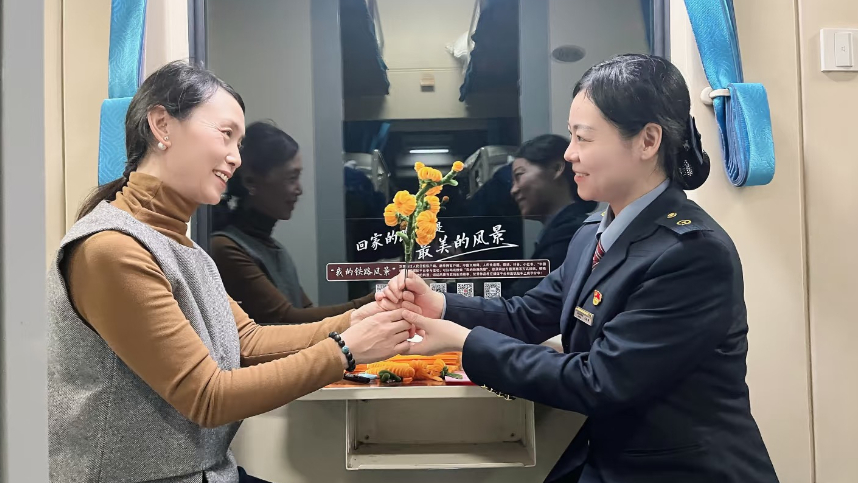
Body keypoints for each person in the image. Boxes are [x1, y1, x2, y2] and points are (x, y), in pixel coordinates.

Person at [381, 54, 779, 483]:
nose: (570, 153)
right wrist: (439, 305)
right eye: (571, 136)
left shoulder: (691, 255)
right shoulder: (593, 233)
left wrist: (463, 341)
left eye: (584, 138)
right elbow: (528, 314)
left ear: (647, 141)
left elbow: (599, 380)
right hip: (610, 461)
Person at [47, 61, 412, 483]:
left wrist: (357, 319)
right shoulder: (112, 249)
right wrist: (345, 350)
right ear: (162, 125)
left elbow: (248, 340)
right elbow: (207, 397)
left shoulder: (185, 248)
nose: (236, 158)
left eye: (239, 143)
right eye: (226, 135)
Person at [211, 121, 375, 325]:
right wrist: (373, 302)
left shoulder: (274, 249)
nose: (299, 190)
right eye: (291, 178)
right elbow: (287, 319)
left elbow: (306, 314)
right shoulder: (226, 249)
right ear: (250, 182)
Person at [507, 134, 598, 297]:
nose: (513, 190)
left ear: (556, 169)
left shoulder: (571, 233)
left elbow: (525, 299)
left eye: (519, 175)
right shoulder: (562, 229)